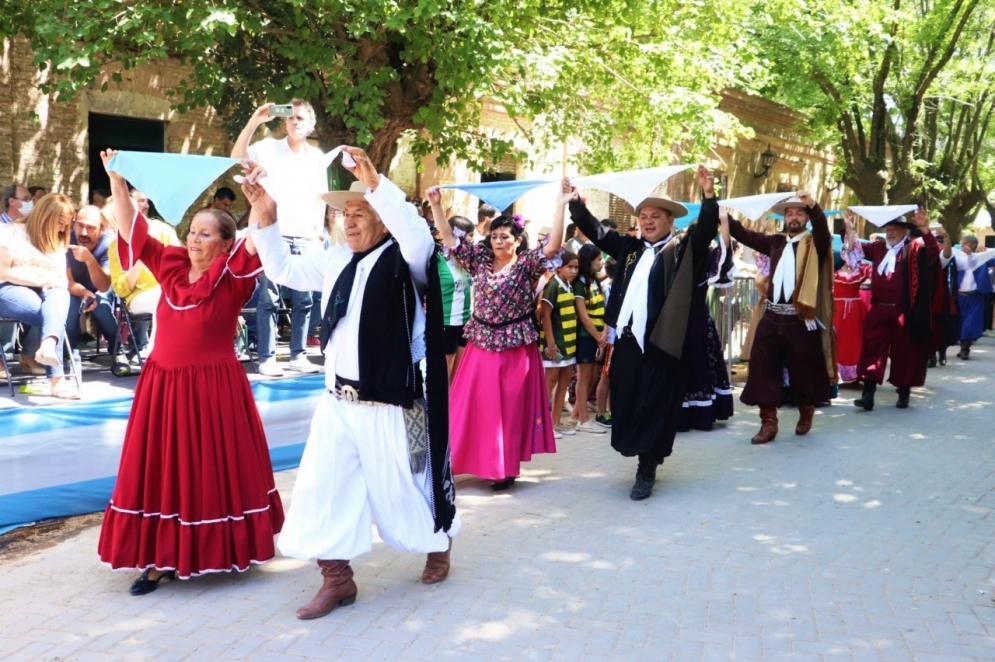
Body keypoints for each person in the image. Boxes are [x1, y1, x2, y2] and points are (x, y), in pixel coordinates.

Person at [249, 148, 458, 620]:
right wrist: (265, 219)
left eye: (360, 214)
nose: (349, 222)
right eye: (345, 214)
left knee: (405, 485)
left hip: (390, 402)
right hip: (337, 403)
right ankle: (337, 579)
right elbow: (284, 271)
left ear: (384, 220)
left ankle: (437, 540)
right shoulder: (338, 259)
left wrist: (376, 183)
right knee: (324, 488)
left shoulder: (409, 259)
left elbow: (416, 234)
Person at [97, 150, 285, 594]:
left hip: (214, 387)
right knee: (162, 469)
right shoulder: (172, 264)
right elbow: (132, 231)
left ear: (224, 242)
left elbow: (261, 231)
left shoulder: (234, 274)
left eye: (205, 233)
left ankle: (223, 549)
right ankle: (159, 559)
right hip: (162, 383)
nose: (195, 238)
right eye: (192, 231)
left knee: (209, 470)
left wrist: (260, 196)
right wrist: (118, 182)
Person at [568, 166, 719, 500]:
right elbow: (597, 233)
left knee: (655, 403)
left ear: (670, 221)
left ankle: (646, 468)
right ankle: (648, 450)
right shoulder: (630, 248)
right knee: (627, 400)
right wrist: (576, 203)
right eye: (643, 216)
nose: (648, 221)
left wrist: (709, 196)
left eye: (655, 216)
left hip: (662, 343)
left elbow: (707, 229)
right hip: (625, 342)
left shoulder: (682, 248)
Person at [436, 184, 566, 492]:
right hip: (481, 343)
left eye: (504, 236)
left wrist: (561, 205)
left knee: (506, 411)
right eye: (494, 236)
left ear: (517, 241)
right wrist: (437, 207)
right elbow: (450, 238)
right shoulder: (478, 261)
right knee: (470, 404)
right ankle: (454, 461)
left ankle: (503, 469)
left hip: (514, 348)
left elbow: (552, 247)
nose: (497, 241)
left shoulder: (525, 266)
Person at [727, 194, 836, 445]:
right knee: (763, 368)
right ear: (784, 218)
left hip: (800, 319)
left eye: (799, 213)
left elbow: (822, 230)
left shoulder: (814, 243)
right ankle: (769, 422)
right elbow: (745, 235)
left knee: (804, 372)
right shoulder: (775, 242)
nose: (793, 217)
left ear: (806, 217)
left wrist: (814, 206)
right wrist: (721, 212)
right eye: (789, 213)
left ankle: (806, 410)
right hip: (772, 316)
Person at [232, 99, 326, 376]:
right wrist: (255, 120)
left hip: (306, 233)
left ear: (311, 125)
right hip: (275, 230)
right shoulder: (269, 149)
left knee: (305, 299)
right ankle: (267, 357)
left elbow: (320, 197)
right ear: (284, 121)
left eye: (301, 118)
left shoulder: (318, 157)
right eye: (291, 117)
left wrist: (318, 231)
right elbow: (237, 157)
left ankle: (298, 354)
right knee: (269, 298)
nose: (295, 122)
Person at [853, 208, 936, 410]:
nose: (890, 233)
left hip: (903, 312)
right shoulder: (878, 248)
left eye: (895, 229)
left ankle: (903, 392)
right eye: (888, 229)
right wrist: (849, 226)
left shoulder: (915, 248)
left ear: (904, 232)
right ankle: (868, 394)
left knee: (904, 353)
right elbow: (854, 248)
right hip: (879, 310)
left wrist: (925, 229)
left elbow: (935, 253)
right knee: (873, 348)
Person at [0, 193, 74, 398]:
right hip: (8, 288)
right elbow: (2, 271)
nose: (62, 229)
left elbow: (60, 278)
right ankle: (57, 380)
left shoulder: (58, 241)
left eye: (65, 225)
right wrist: (37, 280)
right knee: (52, 318)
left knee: (60, 294)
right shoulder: (10, 231)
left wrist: (50, 283)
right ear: (45, 216)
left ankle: (48, 346)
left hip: (47, 291)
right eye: (60, 223)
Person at [678, 210, 735, 432]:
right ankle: (680, 415)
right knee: (683, 367)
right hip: (675, 323)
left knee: (699, 365)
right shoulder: (676, 254)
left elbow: (725, 250)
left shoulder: (706, 259)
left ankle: (700, 414)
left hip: (697, 322)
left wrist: (723, 222)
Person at [107, 201, 181, 356]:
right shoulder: (115, 247)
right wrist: (140, 260)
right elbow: (121, 289)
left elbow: (179, 264)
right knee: (163, 297)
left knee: (168, 295)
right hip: (137, 296)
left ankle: (174, 347)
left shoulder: (163, 231)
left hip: (168, 290)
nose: (112, 229)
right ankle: (158, 348)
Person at [426, 195, 475, 381]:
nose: (471, 240)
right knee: (443, 371)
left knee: (460, 371)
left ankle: (455, 408)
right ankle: (440, 408)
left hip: (464, 322)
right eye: (468, 235)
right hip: (444, 322)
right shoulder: (436, 259)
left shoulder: (467, 260)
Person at [65, 205, 118, 353]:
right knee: (69, 308)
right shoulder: (65, 240)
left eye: (90, 228)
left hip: (102, 286)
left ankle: (116, 348)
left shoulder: (109, 244)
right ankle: (69, 352)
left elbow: (104, 286)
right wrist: (84, 292)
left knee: (101, 305)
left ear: (102, 228)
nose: (83, 232)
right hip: (74, 287)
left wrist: (90, 260)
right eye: (79, 225)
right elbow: (66, 281)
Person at [540, 251, 580, 439]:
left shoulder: (569, 286)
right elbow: (545, 315)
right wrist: (551, 344)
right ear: (559, 267)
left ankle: (554, 423)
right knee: (549, 384)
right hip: (555, 345)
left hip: (569, 345)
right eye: (569, 267)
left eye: (576, 267)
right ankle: (540, 426)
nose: (573, 270)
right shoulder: (553, 285)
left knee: (564, 383)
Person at [940, 234, 995, 360]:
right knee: (960, 323)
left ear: (972, 245)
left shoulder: (982, 258)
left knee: (971, 323)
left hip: (976, 297)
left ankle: (965, 349)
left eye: (964, 243)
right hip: (959, 297)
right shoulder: (957, 257)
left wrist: (987, 253)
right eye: (962, 243)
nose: (962, 245)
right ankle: (962, 346)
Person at [572, 244, 607, 434]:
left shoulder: (594, 281)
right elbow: (583, 316)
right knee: (584, 378)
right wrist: (599, 337)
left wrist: (602, 336)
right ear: (590, 261)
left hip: (598, 335)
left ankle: (575, 416)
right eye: (599, 259)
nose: (601, 262)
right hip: (586, 336)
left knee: (593, 376)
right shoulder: (580, 284)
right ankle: (583, 420)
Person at [833, 210, 872, 383]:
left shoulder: (860, 266)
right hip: (836, 307)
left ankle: (856, 374)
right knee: (836, 339)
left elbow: (853, 255)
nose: (850, 242)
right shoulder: (835, 262)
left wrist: (850, 228)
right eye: (848, 239)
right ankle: (835, 373)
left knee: (855, 341)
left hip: (855, 308)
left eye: (853, 239)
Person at [929, 225, 959, 367]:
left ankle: (942, 353)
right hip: (927, 296)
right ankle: (931, 355)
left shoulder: (948, 256)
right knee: (930, 327)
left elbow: (946, 253)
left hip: (943, 297)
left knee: (944, 327)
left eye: (941, 242)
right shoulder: (926, 254)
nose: (939, 244)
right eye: (938, 241)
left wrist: (946, 237)